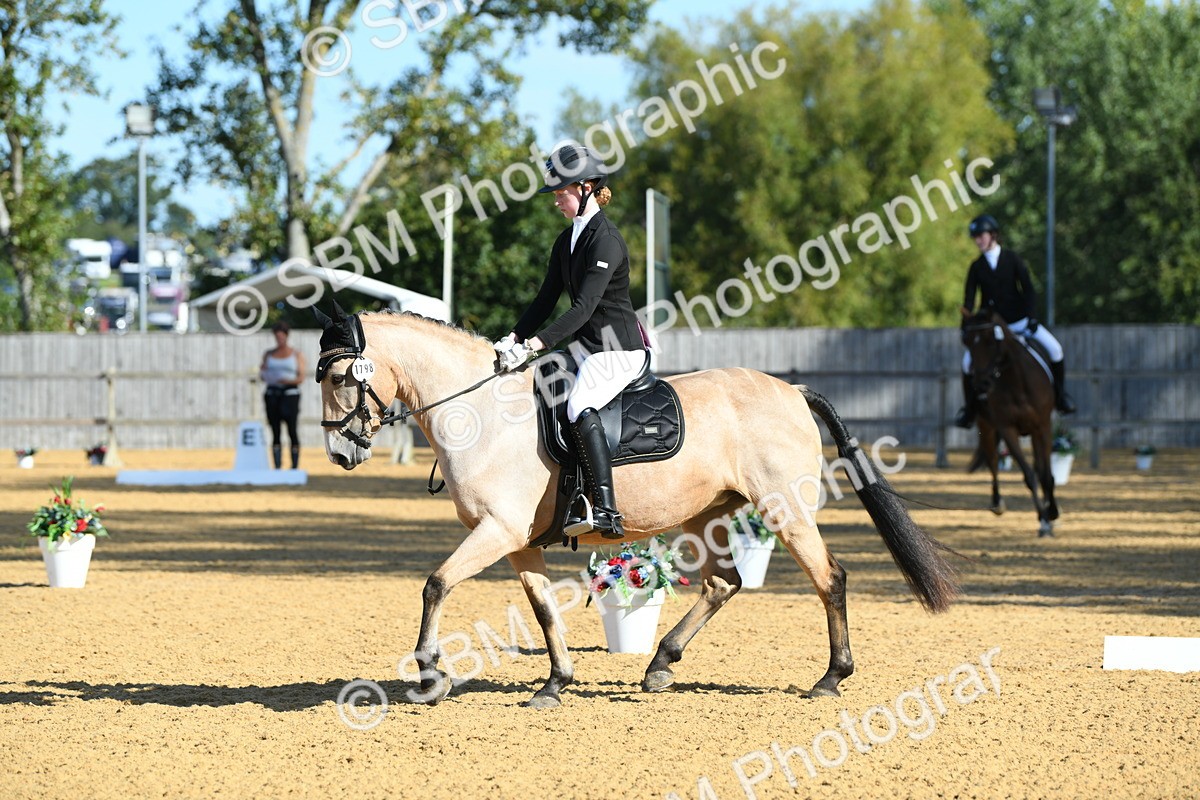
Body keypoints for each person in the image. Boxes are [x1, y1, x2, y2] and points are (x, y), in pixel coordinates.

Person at [492, 144, 647, 539]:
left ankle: (606, 508)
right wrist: (511, 337)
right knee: (541, 388)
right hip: (587, 349)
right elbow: (545, 299)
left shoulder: (606, 240)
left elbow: (583, 308)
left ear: (587, 188)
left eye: (562, 192)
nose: (557, 199)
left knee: (579, 404)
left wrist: (532, 347)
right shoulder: (567, 240)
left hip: (618, 350)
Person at [955, 214, 1076, 428]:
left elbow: (1028, 289)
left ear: (993, 235)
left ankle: (1061, 398)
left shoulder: (1013, 259)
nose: (978, 241)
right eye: (975, 237)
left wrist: (1031, 318)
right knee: (967, 364)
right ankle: (970, 410)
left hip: (1019, 322)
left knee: (1056, 349)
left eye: (980, 236)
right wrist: (967, 324)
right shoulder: (976, 267)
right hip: (991, 330)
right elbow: (969, 299)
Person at [260, 321, 305, 468]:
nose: (279, 340)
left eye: (281, 337)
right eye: (277, 337)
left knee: (292, 429)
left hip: (290, 395)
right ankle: (277, 465)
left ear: (286, 336)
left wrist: (288, 381)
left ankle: (294, 465)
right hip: (272, 394)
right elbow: (262, 374)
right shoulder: (268, 354)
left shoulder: (296, 354)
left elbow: (301, 377)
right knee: (275, 430)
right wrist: (264, 372)